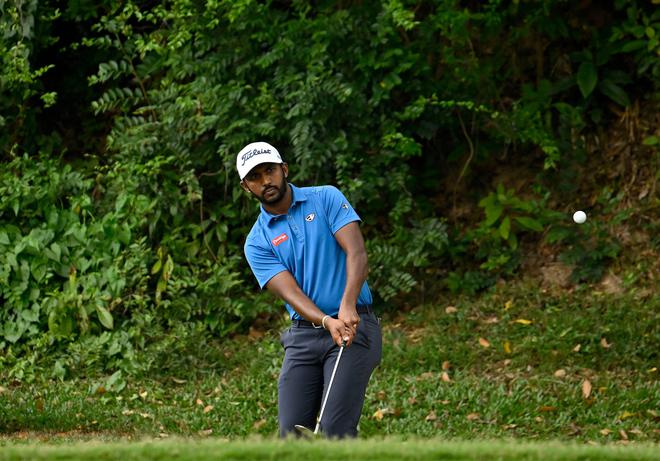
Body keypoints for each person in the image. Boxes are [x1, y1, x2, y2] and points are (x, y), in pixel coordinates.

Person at [237, 141, 382, 438]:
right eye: (255, 177)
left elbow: (357, 252)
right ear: (246, 187)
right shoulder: (256, 241)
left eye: (270, 171)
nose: (266, 181)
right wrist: (326, 320)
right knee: (292, 434)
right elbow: (290, 293)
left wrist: (347, 304)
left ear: (284, 169)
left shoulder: (325, 197)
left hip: (354, 325)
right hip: (304, 337)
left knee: (334, 431)